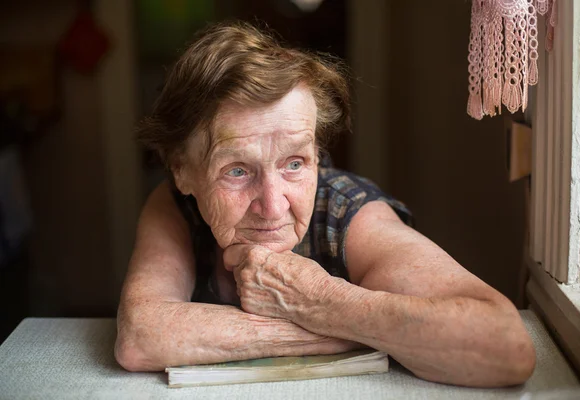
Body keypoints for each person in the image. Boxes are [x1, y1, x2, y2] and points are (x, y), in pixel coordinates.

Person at [114, 21, 535, 387]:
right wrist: (351, 332)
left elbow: (506, 345)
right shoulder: (175, 204)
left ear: (317, 153)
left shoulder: (350, 213)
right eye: (238, 171)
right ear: (181, 170)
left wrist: (315, 299)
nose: (273, 206)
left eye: (294, 163)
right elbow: (141, 337)